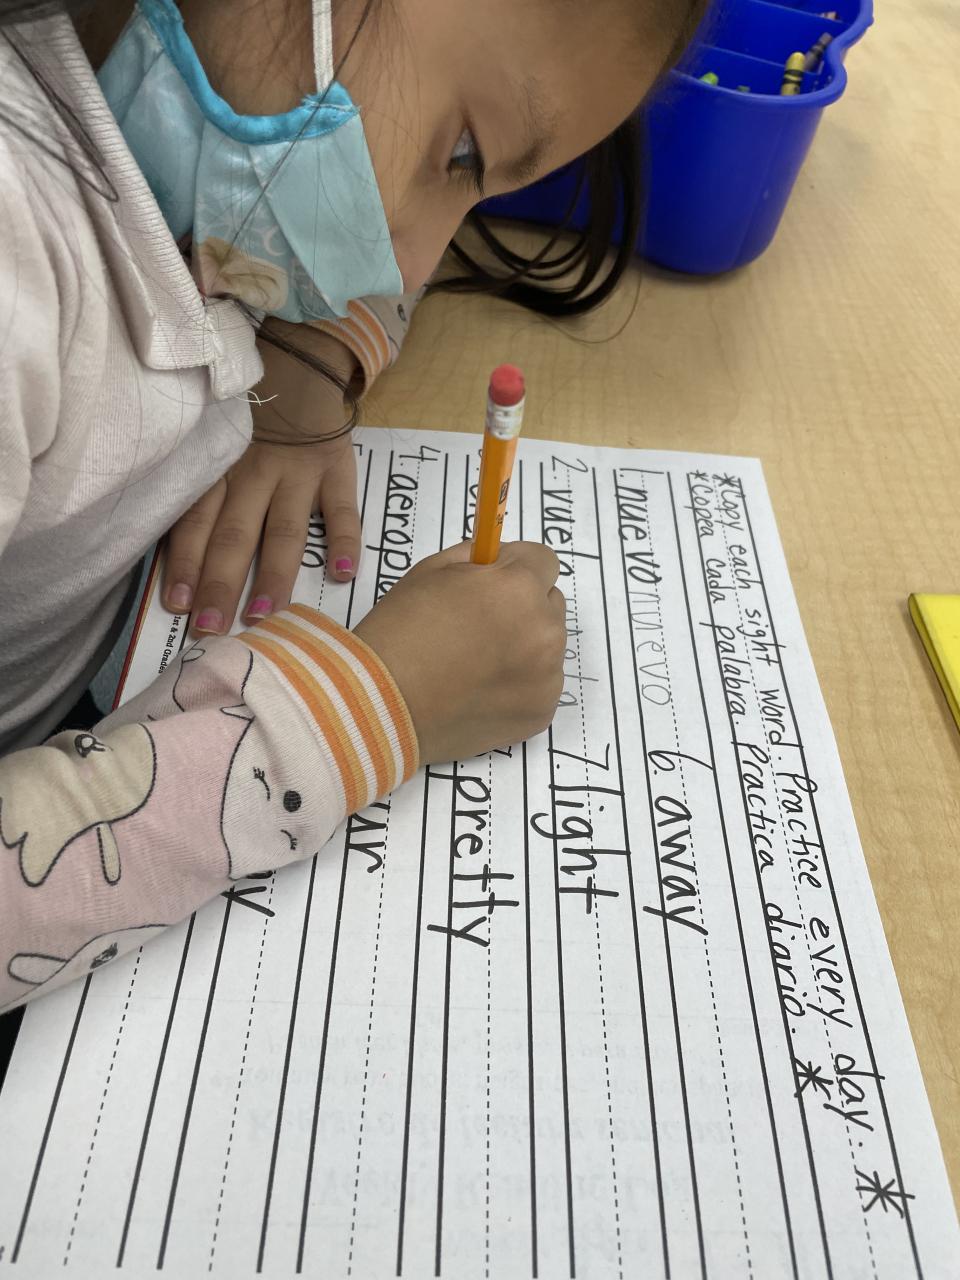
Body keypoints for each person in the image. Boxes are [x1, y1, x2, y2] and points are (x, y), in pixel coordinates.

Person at [0, 0, 706, 1016]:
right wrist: (360, 710)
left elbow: (368, 254)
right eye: (462, 154)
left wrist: (313, 346)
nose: (408, 265)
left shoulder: (202, 119)